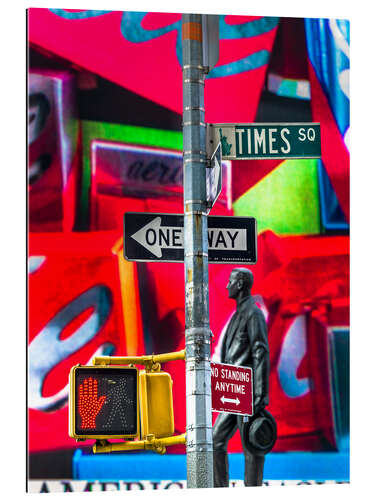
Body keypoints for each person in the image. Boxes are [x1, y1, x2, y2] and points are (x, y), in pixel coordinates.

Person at [213, 268, 270, 487]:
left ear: (239, 285)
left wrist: (260, 393)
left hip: (247, 393)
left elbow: (260, 351)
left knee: (251, 446)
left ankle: (252, 490)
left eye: (230, 282)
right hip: (233, 391)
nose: (227, 285)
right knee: (216, 440)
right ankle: (219, 490)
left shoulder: (252, 313)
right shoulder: (238, 313)